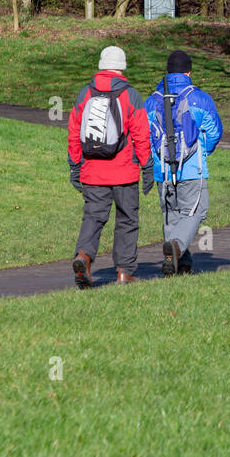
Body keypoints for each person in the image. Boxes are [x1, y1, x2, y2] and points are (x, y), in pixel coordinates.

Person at [67, 45, 152, 288]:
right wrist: (147, 168)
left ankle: (83, 256)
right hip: (124, 172)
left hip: (92, 172)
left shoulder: (85, 94)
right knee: (127, 219)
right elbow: (141, 135)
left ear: (101, 66)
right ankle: (125, 273)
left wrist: (75, 165)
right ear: (122, 67)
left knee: (93, 218)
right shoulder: (130, 94)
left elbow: (74, 133)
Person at [144, 50, 223, 276]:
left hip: (163, 170)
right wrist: (202, 152)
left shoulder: (151, 101)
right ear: (189, 71)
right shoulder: (199, 98)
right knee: (196, 211)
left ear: (168, 72)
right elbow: (214, 131)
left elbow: (143, 136)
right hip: (191, 169)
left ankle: (180, 266)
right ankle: (176, 247)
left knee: (172, 214)